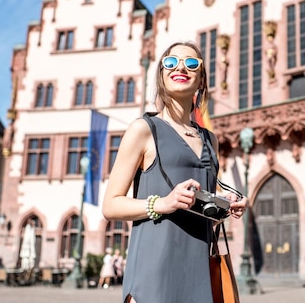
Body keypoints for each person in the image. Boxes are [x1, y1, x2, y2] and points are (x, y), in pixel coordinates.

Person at [102, 41, 248, 303]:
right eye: (171, 62)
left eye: (191, 63)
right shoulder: (144, 130)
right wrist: (163, 203)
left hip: (199, 271)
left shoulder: (209, 140)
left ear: (201, 79)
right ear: (161, 74)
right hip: (153, 274)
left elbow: (201, 208)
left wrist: (226, 205)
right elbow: (111, 205)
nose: (181, 67)